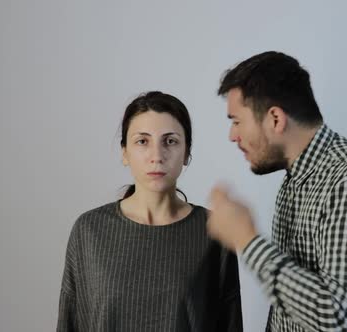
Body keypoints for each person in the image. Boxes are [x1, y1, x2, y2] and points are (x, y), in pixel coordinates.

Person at [207, 52, 347, 331]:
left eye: (236, 121)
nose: (232, 136)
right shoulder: (295, 180)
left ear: (275, 119)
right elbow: (290, 303)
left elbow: (339, 320)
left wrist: (247, 240)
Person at [57, 91, 242, 331]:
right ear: (125, 152)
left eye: (170, 141)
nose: (157, 156)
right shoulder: (89, 230)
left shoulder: (215, 230)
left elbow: (230, 324)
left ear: (186, 153)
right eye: (142, 141)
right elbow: (70, 322)